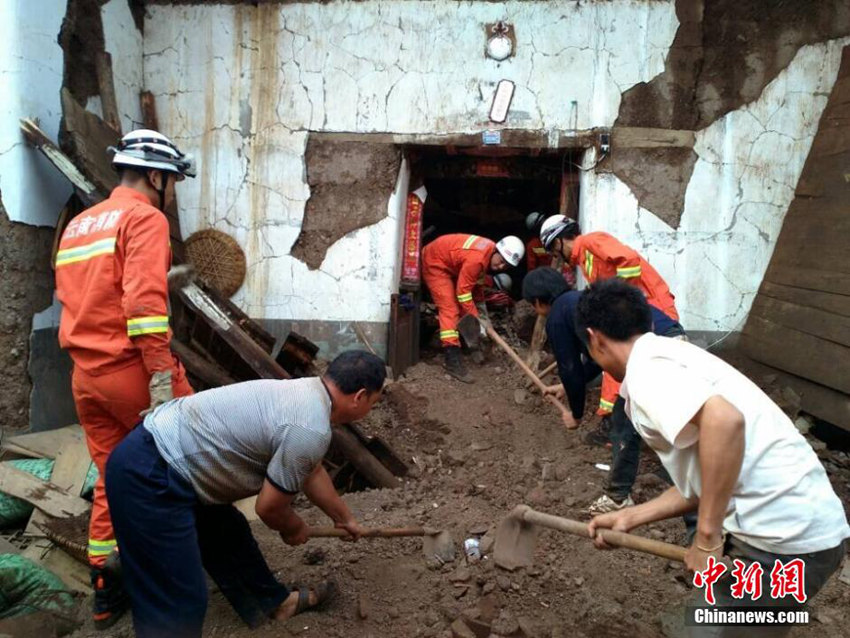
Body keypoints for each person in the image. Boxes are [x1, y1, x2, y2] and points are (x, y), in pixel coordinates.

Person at [579, 280, 849, 637]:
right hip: (813, 533)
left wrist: (706, 540)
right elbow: (709, 478)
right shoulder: (674, 356)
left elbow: (725, 421)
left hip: (780, 547)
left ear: (594, 338)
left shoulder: (648, 375)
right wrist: (631, 516)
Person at [104, 350, 385, 638]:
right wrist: (294, 528)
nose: (369, 411)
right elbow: (269, 508)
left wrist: (344, 518)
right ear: (359, 396)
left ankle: (276, 603)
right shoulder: (309, 427)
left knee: (228, 533)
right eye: (373, 404)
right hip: (150, 476)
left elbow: (311, 471)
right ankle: (126, 566)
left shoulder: (308, 393)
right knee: (178, 599)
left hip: (168, 461)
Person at [54, 129, 197, 628]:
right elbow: (141, 310)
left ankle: (105, 588)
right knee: (192, 458)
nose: (173, 189)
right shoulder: (145, 217)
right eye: (173, 180)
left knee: (113, 476)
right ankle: (177, 575)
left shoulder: (80, 225)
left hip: (85, 376)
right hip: (130, 372)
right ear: (156, 176)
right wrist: (161, 378)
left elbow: (93, 296)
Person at [522, 268, 687, 515]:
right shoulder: (579, 303)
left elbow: (570, 368)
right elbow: (592, 363)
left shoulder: (558, 315)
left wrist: (575, 415)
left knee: (625, 419)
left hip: (653, 353)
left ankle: (623, 495)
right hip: (672, 338)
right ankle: (674, 478)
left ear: (538, 302)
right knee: (644, 414)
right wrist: (565, 388)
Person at [539, 215, 679, 448]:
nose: (558, 258)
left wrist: (617, 300)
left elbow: (630, 261)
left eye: (554, 252)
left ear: (557, 242)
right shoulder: (585, 259)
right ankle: (623, 426)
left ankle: (614, 425)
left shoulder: (592, 242)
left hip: (653, 311)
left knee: (621, 367)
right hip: (641, 314)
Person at [421, 233, 524, 382]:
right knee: (450, 309)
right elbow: (463, 293)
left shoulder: (487, 254)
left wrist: (482, 314)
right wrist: (477, 322)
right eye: (501, 261)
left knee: (467, 306)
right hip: (435, 262)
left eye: (506, 266)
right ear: (496, 250)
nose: (501, 267)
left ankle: (470, 344)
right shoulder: (477, 259)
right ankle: (452, 359)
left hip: (450, 263)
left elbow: (476, 288)